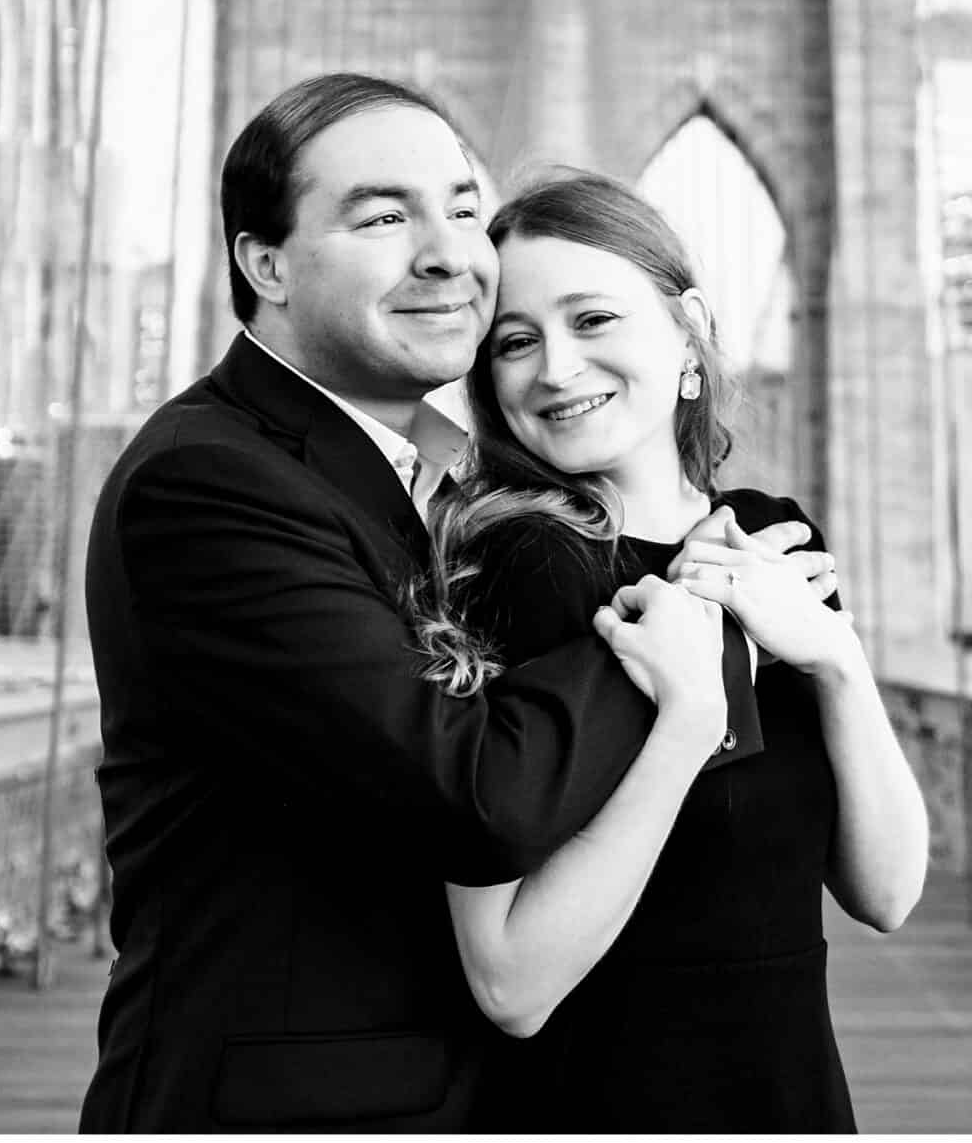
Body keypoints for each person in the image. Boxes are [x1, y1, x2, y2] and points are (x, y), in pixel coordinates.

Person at [78, 75, 825, 1132]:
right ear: (266, 264)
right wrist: (707, 617)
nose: (449, 253)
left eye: (463, 209)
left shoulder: (426, 481)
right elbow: (468, 796)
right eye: (384, 217)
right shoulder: (210, 481)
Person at [398, 169, 930, 1133]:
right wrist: (693, 709)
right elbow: (509, 980)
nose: (555, 367)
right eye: (515, 341)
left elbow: (885, 893)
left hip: (791, 1099)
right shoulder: (515, 563)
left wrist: (836, 660)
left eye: (593, 318)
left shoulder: (773, 540)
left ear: (687, 330)